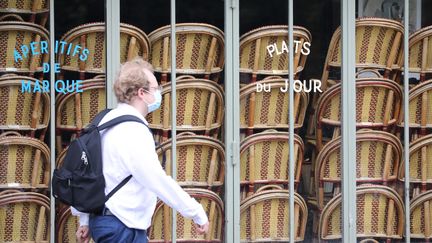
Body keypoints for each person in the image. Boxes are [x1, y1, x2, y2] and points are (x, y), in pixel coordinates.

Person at [72, 58, 209, 243]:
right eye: (155, 88)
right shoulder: (133, 130)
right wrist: (196, 212)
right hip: (121, 226)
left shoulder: (105, 121)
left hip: (110, 221)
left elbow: (92, 174)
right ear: (141, 93)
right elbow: (155, 179)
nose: (158, 93)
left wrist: (86, 219)